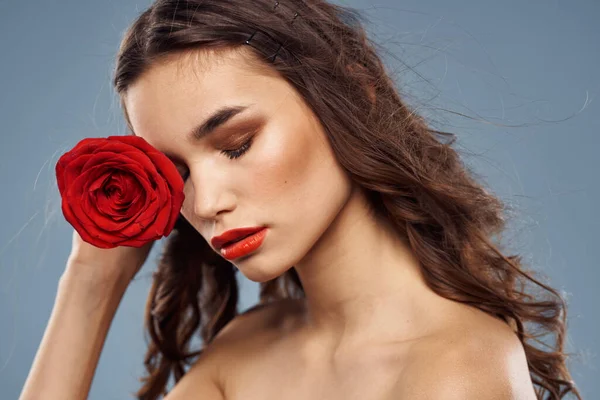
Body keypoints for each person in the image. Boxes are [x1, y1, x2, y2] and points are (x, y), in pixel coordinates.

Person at [20, 0, 582, 399]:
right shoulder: (246, 347)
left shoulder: (455, 372)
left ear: (351, 98)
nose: (207, 200)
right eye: (176, 173)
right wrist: (92, 277)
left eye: (237, 145)